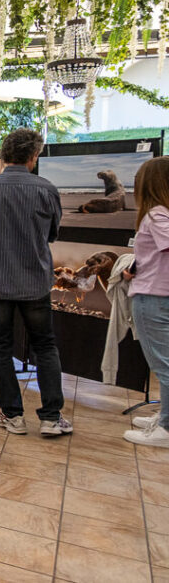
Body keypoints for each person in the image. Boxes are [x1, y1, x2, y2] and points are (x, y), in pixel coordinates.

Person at [0, 128, 72, 436]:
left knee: (0, 346)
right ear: (34, 155)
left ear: (3, 154)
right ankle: (52, 418)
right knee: (45, 345)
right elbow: (52, 234)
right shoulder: (46, 188)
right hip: (34, 281)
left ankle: (12, 415)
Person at [122, 156, 169, 446]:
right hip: (155, 292)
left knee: (164, 365)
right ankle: (165, 415)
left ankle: (165, 428)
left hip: (154, 298)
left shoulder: (156, 215)